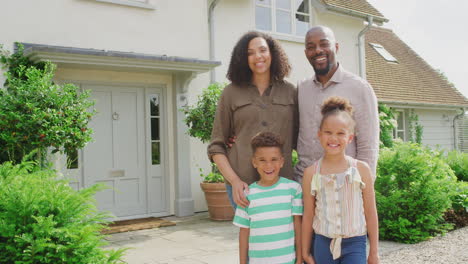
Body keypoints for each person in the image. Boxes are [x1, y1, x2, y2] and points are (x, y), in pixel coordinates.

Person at [208, 31, 298, 208]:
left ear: (272, 53)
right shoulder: (230, 93)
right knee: (250, 236)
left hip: (283, 185)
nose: (258, 56)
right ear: (243, 58)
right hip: (244, 186)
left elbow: (301, 140)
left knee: (283, 235)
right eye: (250, 53)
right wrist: (234, 181)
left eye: (263, 50)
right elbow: (216, 146)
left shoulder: (290, 92)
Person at [295, 25, 379, 183]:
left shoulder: (359, 88)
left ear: (336, 47)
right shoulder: (302, 89)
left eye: (324, 44)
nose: (318, 50)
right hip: (304, 184)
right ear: (306, 53)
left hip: (343, 184)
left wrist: (363, 187)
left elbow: (368, 146)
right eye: (311, 47)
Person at [301, 96, 379, 264]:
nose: (333, 138)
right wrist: (305, 251)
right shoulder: (311, 173)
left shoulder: (361, 169)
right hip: (322, 243)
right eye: (328, 132)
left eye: (340, 133)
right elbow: (308, 215)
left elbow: (371, 213)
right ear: (319, 135)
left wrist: (373, 252)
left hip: (355, 243)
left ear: (350, 138)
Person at [233, 132, 303, 264]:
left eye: (274, 159)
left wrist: (299, 259)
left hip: (287, 260)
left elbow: (297, 226)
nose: (268, 165)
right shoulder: (247, 195)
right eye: (262, 160)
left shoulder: (293, 190)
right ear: (254, 162)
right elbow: (244, 233)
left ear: (282, 161)